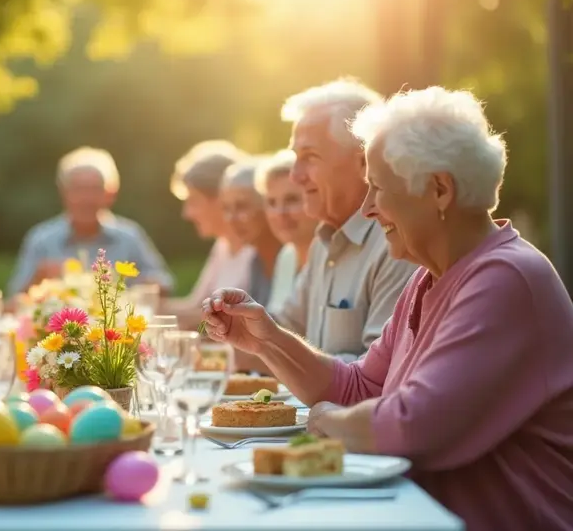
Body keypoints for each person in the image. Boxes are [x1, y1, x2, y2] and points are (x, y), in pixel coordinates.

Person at [201, 87, 573, 531]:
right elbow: (361, 387)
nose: (368, 208)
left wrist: (329, 423)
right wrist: (268, 341)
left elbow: (415, 426)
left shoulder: (506, 278)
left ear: (439, 190)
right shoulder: (428, 276)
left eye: (378, 187)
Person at [274, 78, 417, 361]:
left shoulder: (398, 244)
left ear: (364, 160)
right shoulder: (323, 242)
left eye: (310, 157)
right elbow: (283, 330)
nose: (295, 176)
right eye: (295, 158)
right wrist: (226, 323)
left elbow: (380, 373)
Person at [7, 146, 173, 295]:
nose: (86, 198)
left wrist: (138, 284)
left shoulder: (130, 236)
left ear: (110, 194)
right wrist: (38, 278)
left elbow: (165, 284)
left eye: (95, 189)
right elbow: (14, 298)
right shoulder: (41, 239)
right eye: (78, 189)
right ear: (63, 193)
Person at [161, 140, 255, 329]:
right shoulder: (222, 246)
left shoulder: (256, 250)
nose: (186, 213)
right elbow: (195, 306)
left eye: (194, 201)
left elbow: (229, 319)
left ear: (221, 198)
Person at [254, 149, 318, 314]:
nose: (280, 213)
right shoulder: (287, 255)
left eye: (292, 200)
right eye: (271, 202)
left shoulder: (333, 255)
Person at [218, 160, 282, 305]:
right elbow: (211, 318)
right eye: (226, 208)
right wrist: (202, 328)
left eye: (241, 207)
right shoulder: (255, 261)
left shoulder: (290, 259)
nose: (231, 219)